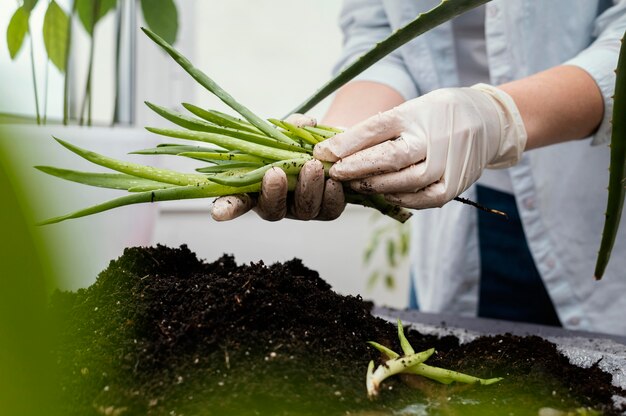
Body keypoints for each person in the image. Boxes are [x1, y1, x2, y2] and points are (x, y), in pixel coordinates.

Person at [212, 1, 626, 336]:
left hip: (593, 204)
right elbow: (379, 39)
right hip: (454, 216)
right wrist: (342, 140)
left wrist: (501, 116)